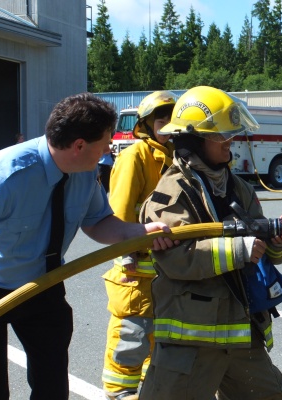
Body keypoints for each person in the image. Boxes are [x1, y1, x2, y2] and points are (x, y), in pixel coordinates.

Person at [0, 92, 177, 400]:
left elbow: (98, 222)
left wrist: (140, 231)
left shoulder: (83, 171)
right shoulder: (6, 174)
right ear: (79, 145)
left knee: (52, 388)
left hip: (42, 283)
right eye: (106, 141)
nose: (110, 148)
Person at [138, 86, 282, 400]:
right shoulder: (171, 195)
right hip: (191, 340)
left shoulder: (238, 188)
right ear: (194, 140)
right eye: (220, 135)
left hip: (240, 333)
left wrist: (276, 244)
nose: (230, 142)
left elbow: (261, 254)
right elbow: (175, 258)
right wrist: (238, 250)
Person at [101, 90, 176, 400]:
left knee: (158, 339)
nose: (169, 126)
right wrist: (125, 255)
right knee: (131, 336)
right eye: (162, 121)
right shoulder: (136, 156)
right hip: (136, 268)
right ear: (146, 125)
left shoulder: (176, 157)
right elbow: (118, 211)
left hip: (165, 268)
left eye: (174, 120)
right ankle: (119, 393)